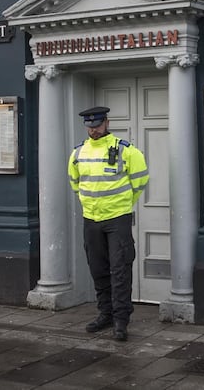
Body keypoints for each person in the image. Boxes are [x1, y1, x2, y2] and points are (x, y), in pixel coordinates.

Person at [68, 106, 149, 341]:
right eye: (89, 126)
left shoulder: (126, 151)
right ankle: (106, 314)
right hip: (91, 219)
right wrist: (90, 203)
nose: (93, 130)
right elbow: (75, 182)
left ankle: (121, 320)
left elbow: (140, 181)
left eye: (97, 125)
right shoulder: (78, 153)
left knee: (120, 269)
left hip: (117, 219)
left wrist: (123, 204)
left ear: (107, 123)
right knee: (98, 269)